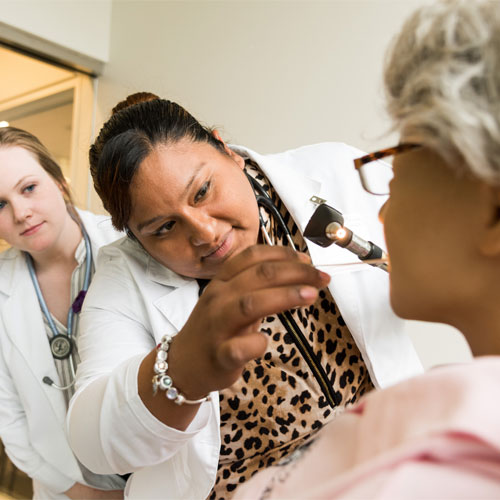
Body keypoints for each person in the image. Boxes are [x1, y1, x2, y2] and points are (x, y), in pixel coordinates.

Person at [67, 92, 422, 499]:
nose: (205, 233)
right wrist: (182, 368)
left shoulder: (335, 169)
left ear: (226, 150)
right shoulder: (121, 279)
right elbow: (93, 444)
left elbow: (447, 238)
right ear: (135, 239)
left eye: (202, 192)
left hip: (380, 467)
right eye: (164, 228)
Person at [233, 0, 500, 497]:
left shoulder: (437, 477)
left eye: (397, 175)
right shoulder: (434, 421)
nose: (382, 213)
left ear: (492, 210)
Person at [0, 127, 125, 499]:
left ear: (59, 182)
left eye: (29, 188)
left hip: (153, 479)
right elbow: (9, 419)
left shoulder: (127, 250)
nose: (21, 213)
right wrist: (85, 494)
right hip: (63, 488)